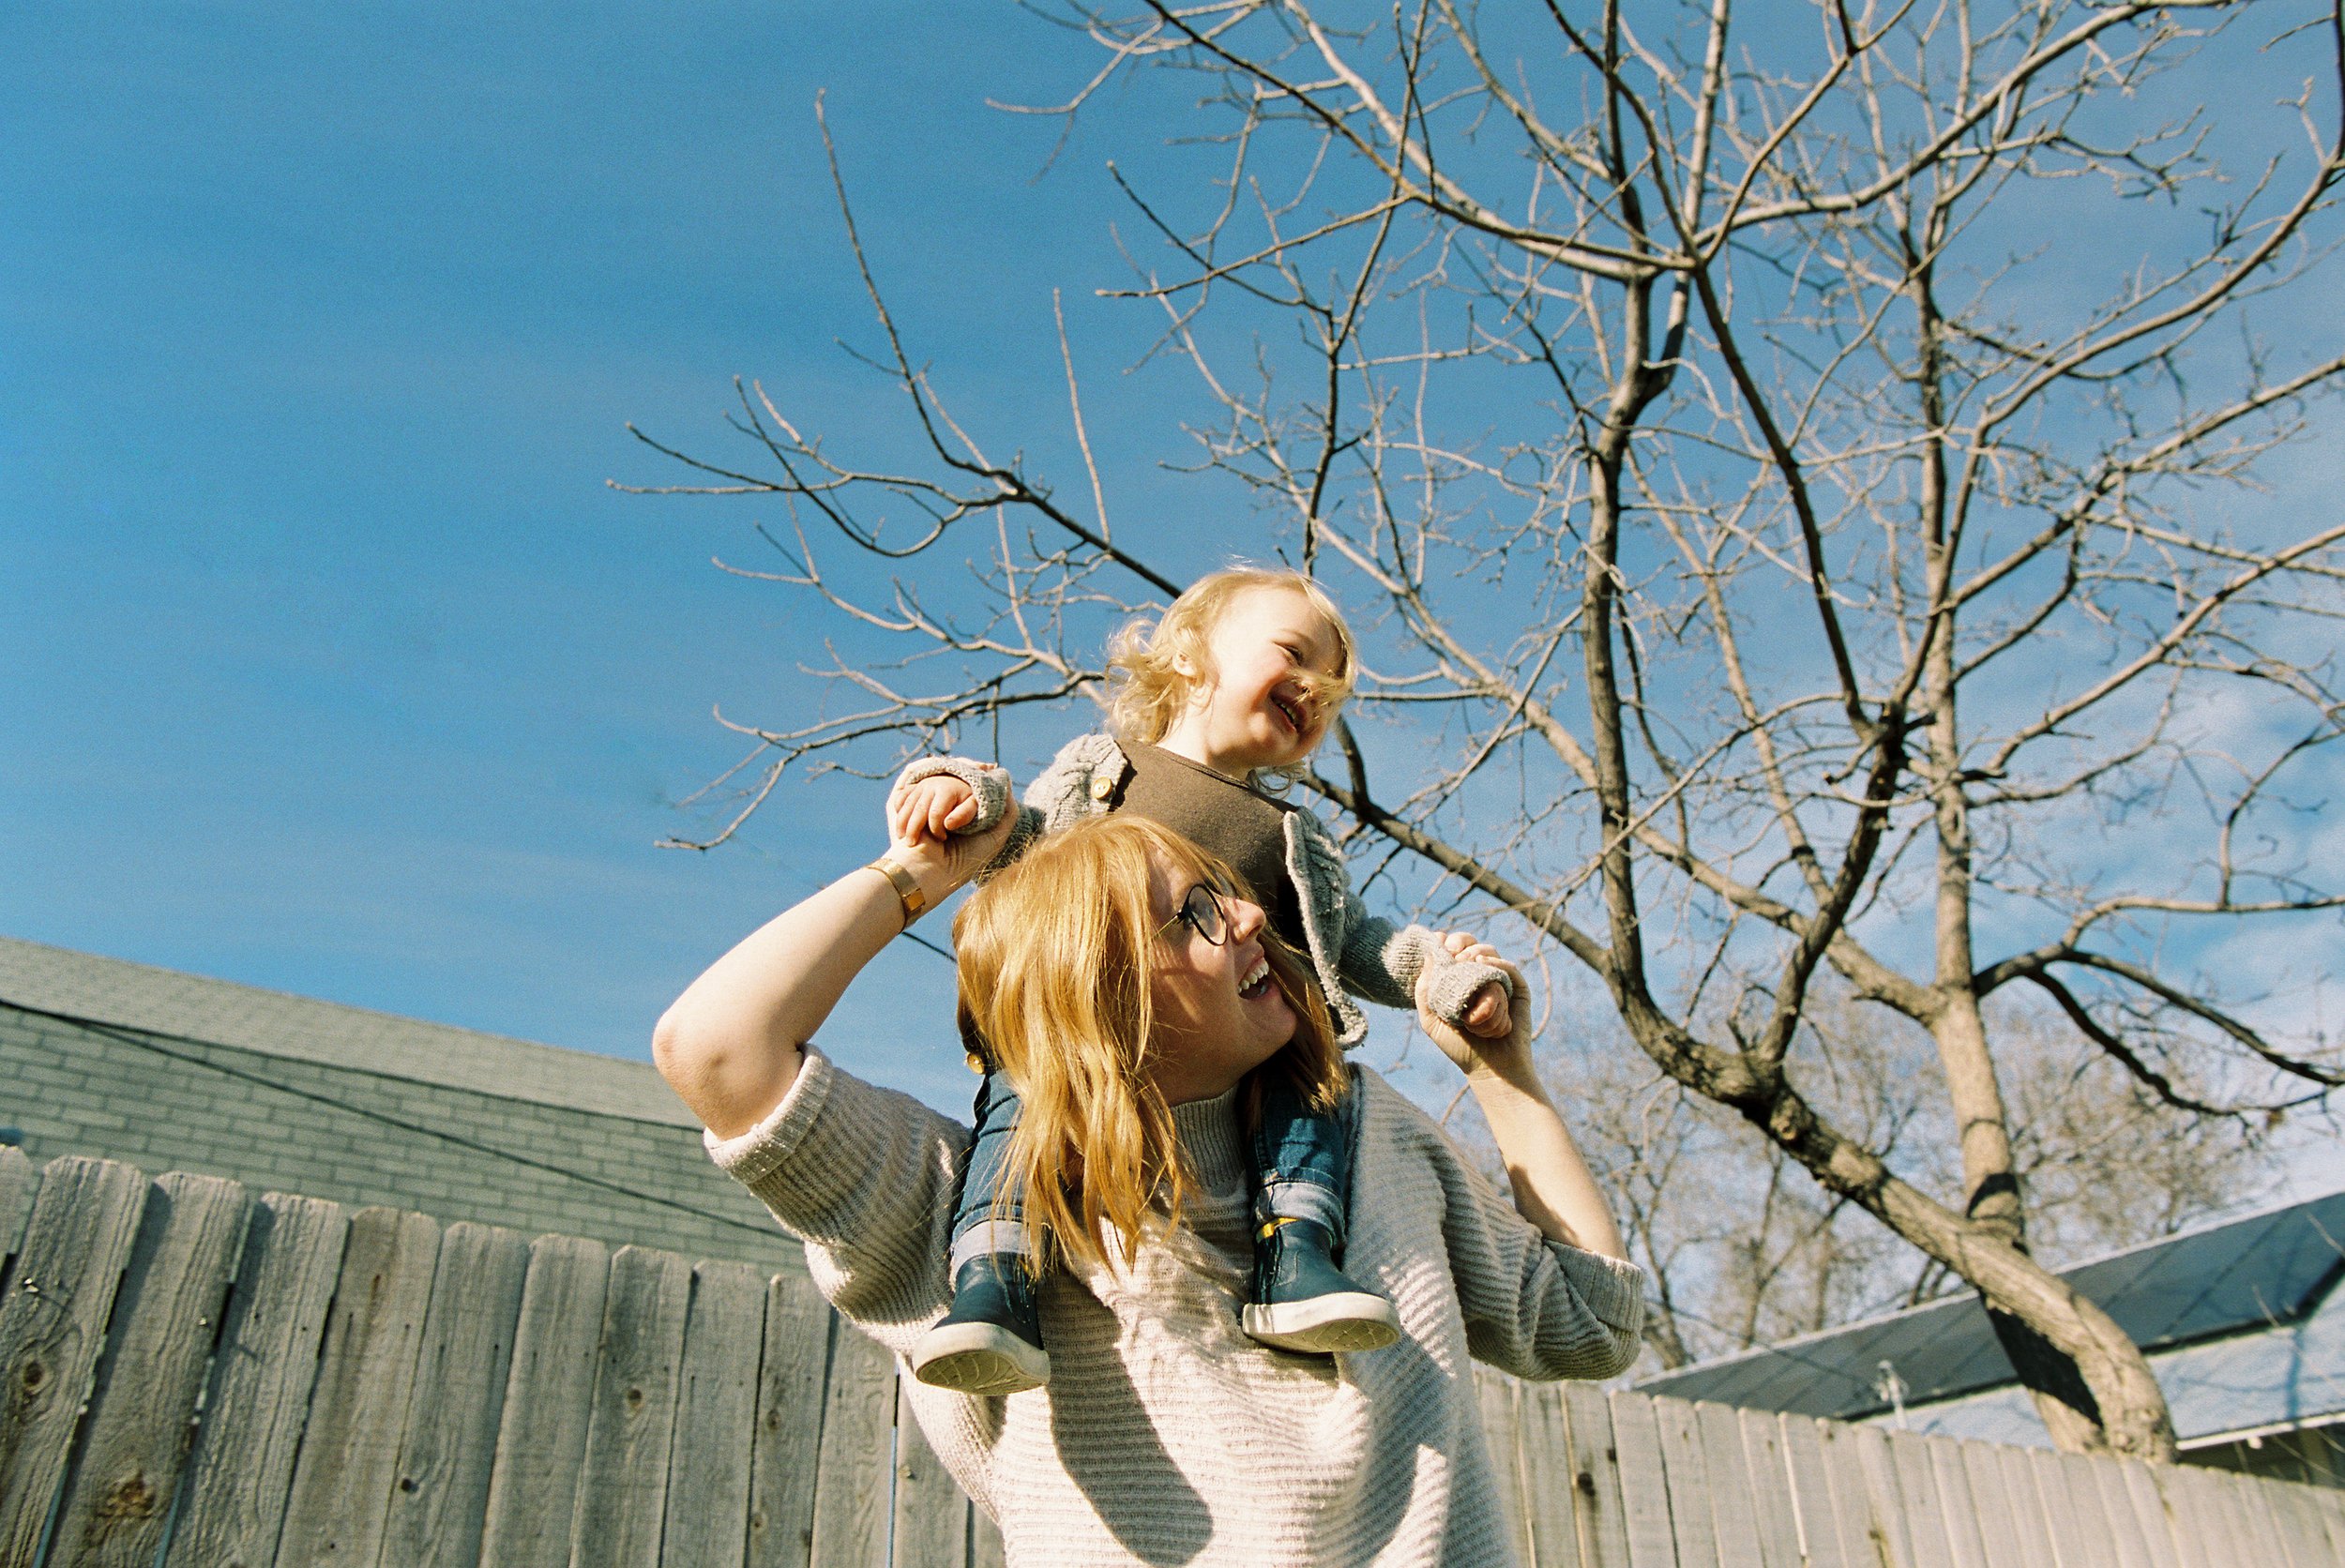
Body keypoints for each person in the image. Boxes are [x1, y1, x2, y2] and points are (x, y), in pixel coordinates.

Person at [653, 808, 1644, 1568]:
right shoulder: (961, 1214)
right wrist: (927, 866)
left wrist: (1500, 1073)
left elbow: (1589, 1323)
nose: (1253, 911)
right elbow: (714, 1049)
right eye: (1198, 911)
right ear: (1101, 993)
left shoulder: (1369, 1131)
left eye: (1229, 890)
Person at [889, 567, 1517, 1393]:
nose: (1315, 689)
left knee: (1312, 1093)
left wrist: (1437, 971)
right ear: (1188, 655)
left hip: (1240, 1034)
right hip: (1090, 1003)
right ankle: (993, 1284)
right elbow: (1022, 834)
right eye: (1294, 653)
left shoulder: (1297, 836)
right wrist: (961, 792)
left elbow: (1358, 943)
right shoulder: (1105, 769)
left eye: (1332, 686)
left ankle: (1295, 1257)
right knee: (1024, 1106)